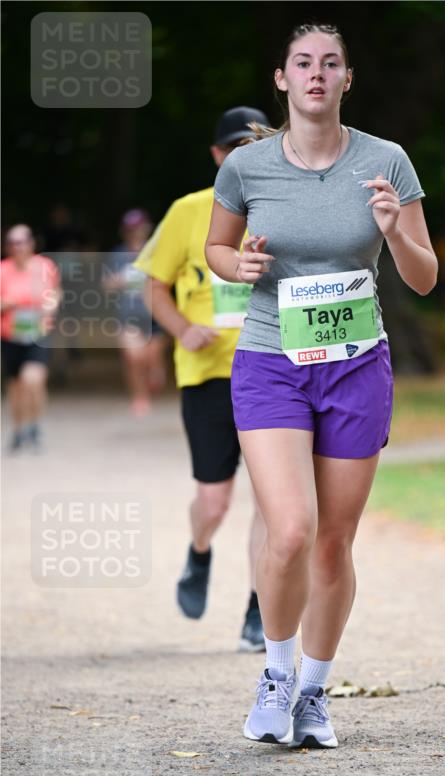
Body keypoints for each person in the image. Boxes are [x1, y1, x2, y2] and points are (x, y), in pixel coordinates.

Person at [205, 23, 437, 748]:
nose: (315, 74)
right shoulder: (247, 167)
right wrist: (233, 266)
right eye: (302, 63)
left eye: (328, 64)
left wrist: (394, 230)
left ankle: (312, 692)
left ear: (346, 78)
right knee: (290, 531)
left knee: (333, 543)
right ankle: (274, 677)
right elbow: (217, 247)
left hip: (354, 364)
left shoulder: (385, 161)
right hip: (272, 360)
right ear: (281, 79)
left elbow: (425, 277)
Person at [135, 107, 272, 653]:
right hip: (209, 375)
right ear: (217, 155)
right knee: (214, 502)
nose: (242, 154)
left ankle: (260, 610)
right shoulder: (190, 211)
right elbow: (153, 286)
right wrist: (181, 329)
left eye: (255, 144)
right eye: (233, 146)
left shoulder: (284, 206)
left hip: (274, 371)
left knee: (273, 501)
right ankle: (199, 551)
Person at [1, 224, 61, 452]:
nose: (19, 246)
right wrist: (7, 304)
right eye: (13, 242)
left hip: (39, 333)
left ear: (31, 243)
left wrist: (50, 305)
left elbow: (55, 294)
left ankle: (35, 425)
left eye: (23, 241)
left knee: (32, 379)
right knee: (15, 387)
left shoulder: (45, 266)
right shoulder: (3, 270)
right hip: (10, 334)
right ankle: (18, 429)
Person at [104, 209, 167, 417]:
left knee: (151, 360)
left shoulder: (157, 251)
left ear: (146, 228)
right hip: (128, 315)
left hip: (154, 314)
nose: (135, 232)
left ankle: (156, 373)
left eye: (138, 228)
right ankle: (140, 397)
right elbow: (106, 284)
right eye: (131, 229)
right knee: (134, 357)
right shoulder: (117, 255)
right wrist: (119, 281)